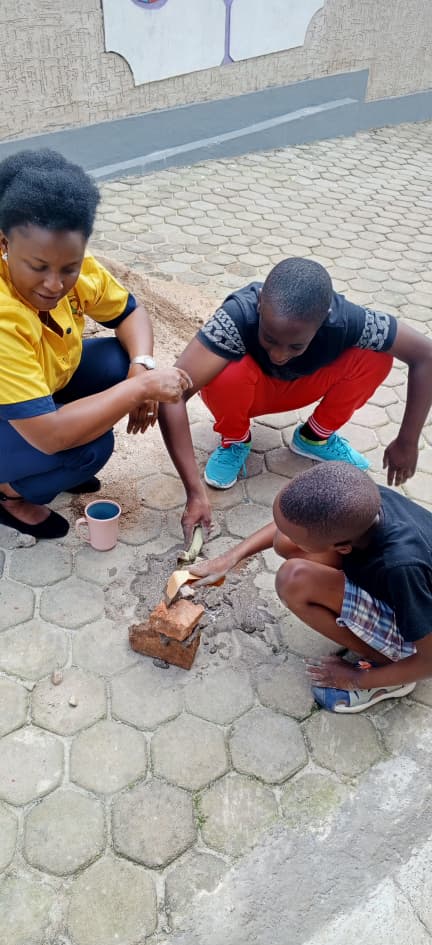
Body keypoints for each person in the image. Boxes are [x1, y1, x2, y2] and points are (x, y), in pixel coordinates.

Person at [158, 257, 432, 543]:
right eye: (270, 338)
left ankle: (315, 438)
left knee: (377, 356)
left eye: (296, 344)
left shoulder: (348, 319)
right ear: (261, 303)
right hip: (248, 392)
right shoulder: (235, 316)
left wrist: (407, 440)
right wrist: (193, 490)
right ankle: (235, 440)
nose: (278, 354)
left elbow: (425, 355)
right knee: (225, 371)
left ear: (324, 318)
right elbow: (171, 395)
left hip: (300, 387)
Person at [0, 149, 190, 539]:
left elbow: (131, 315)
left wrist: (141, 365)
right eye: (38, 268)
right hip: (21, 418)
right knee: (90, 447)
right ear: (4, 243)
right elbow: (50, 434)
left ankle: (39, 466)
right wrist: (141, 388)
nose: (55, 284)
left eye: (68, 267)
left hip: (37, 389)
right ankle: (9, 495)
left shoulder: (72, 261)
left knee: (118, 359)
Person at [190, 461, 432, 713]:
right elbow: (290, 525)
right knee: (284, 542)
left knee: (293, 581)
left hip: (422, 637)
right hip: (402, 586)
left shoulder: (402, 568)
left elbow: (430, 662)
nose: (289, 539)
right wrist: (229, 558)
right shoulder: (365, 502)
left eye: (299, 538)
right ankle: (383, 651)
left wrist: (356, 678)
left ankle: (390, 670)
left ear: (342, 548)